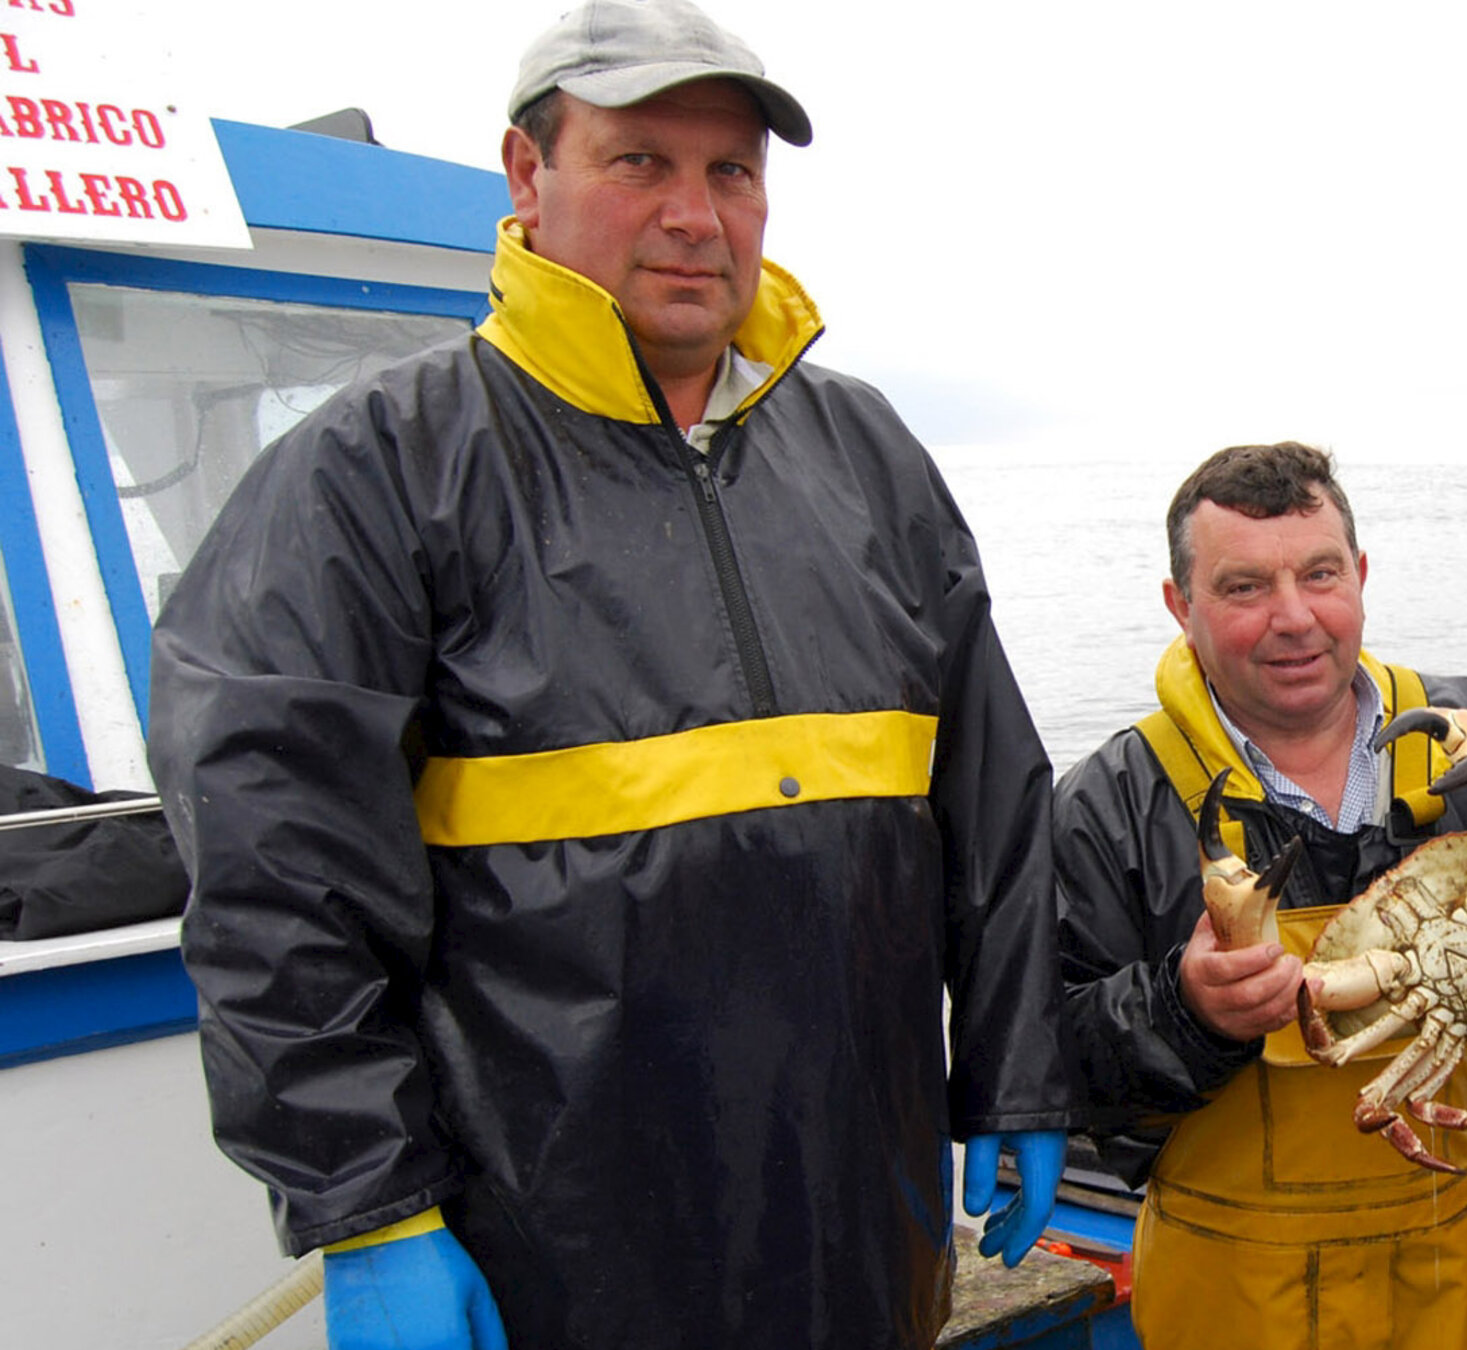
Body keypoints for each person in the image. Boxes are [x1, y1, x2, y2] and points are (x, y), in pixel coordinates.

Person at [145, 3, 1073, 1347]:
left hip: (862, 1225)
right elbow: (272, 876)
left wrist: (1014, 1072)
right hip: (554, 1247)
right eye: (640, 161)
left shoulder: (866, 454)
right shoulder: (377, 468)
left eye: (730, 170)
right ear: (527, 175)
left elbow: (990, 799)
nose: (695, 215)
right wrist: (370, 1210)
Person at [1056, 441, 1467, 1350]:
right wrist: (1182, 1011)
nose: (1294, 618)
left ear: (1360, 573)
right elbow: (1045, 1065)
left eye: (1319, 574)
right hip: (1231, 1293)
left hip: (1456, 1265)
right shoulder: (1109, 806)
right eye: (1243, 587)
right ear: (1179, 605)